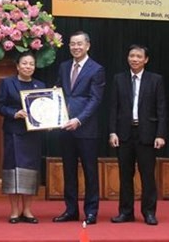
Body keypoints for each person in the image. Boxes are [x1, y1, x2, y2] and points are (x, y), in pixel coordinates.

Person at [108, 44, 166, 226]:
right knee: (125, 176)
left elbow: (162, 109)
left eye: (138, 56)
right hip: (124, 134)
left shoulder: (156, 80)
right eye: (131, 55)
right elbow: (113, 108)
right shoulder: (119, 79)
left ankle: (149, 212)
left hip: (147, 134)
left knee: (147, 176)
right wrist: (112, 131)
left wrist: (160, 134)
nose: (134, 59)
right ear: (127, 57)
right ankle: (126, 212)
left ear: (146, 60)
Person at [53, 31, 105, 225]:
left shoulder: (96, 69)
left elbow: (95, 100)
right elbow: (57, 91)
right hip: (65, 128)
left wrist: (78, 120)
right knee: (69, 171)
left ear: (88, 46)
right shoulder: (64, 66)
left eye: (79, 44)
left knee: (90, 172)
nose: (76, 47)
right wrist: (50, 115)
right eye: (72, 44)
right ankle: (71, 210)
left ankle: (91, 211)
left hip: (86, 129)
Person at [0, 52, 45, 224]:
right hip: (13, 133)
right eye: (24, 63)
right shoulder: (7, 83)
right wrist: (14, 113)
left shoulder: (41, 85)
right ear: (17, 66)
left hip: (33, 135)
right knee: (13, 170)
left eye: (31, 64)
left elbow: (45, 109)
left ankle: (28, 210)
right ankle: (15, 211)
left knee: (30, 171)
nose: (28, 66)